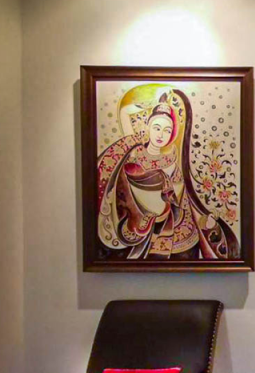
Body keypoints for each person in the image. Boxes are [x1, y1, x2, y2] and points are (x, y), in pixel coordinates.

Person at [96, 85, 238, 260]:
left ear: (172, 135)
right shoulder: (136, 151)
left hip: (168, 220)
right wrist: (149, 105)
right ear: (148, 127)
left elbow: (180, 197)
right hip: (135, 217)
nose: (160, 135)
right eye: (156, 128)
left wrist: (201, 220)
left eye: (167, 130)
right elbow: (125, 113)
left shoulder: (171, 160)